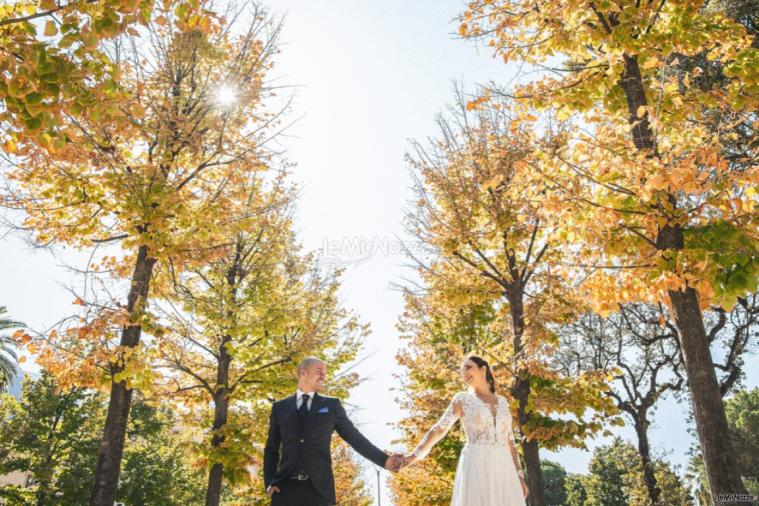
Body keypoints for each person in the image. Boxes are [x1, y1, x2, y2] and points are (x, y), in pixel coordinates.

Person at [263, 357, 403, 505]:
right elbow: (271, 449)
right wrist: (269, 483)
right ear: (303, 372)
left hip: (319, 490)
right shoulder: (280, 408)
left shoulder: (331, 405)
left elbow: (355, 439)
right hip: (285, 490)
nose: (323, 375)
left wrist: (384, 460)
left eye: (325, 372)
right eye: (319, 371)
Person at [399, 355, 529, 505]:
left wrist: (520, 475)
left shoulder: (504, 402)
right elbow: (439, 429)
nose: (463, 372)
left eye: (468, 367)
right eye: (461, 370)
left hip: (504, 468)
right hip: (476, 464)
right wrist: (413, 456)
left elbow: (511, 442)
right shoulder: (462, 399)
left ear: (483, 369)